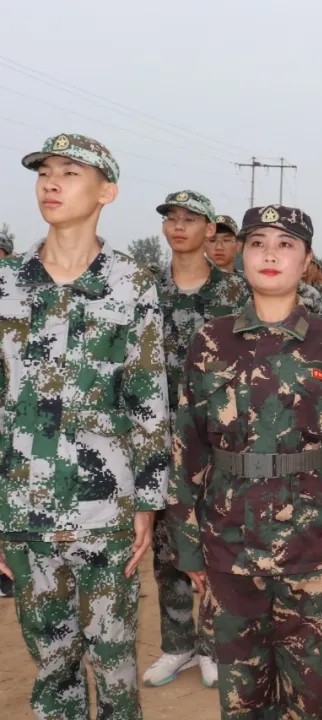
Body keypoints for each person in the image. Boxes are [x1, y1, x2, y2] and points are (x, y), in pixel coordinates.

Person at [168, 204, 322, 719]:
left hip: (312, 542)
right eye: (258, 243)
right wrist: (188, 545)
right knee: (241, 697)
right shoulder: (210, 340)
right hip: (229, 541)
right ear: (241, 254)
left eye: (286, 245)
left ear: (306, 260)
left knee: (309, 694)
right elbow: (187, 447)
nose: (270, 254)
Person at [0, 133, 170, 720]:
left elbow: (148, 398)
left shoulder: (131, 283)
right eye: (44, 172)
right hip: (23, 509)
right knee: (53, 669)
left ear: (106, 192)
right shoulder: (7, 282)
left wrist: (148, 501)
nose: (51, 182)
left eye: (70, 173)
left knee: (115, 665)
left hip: (106, 510)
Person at [143, 190, 250, 689]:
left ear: (210, 229)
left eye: (191, 219)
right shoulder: (145, 290)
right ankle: (178, 643)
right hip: (158, 438)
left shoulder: (236, 294)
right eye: (172, 218)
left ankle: (212, 644)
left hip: (217, 440)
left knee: (217, 541)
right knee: (167, 545)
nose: (179, 226)